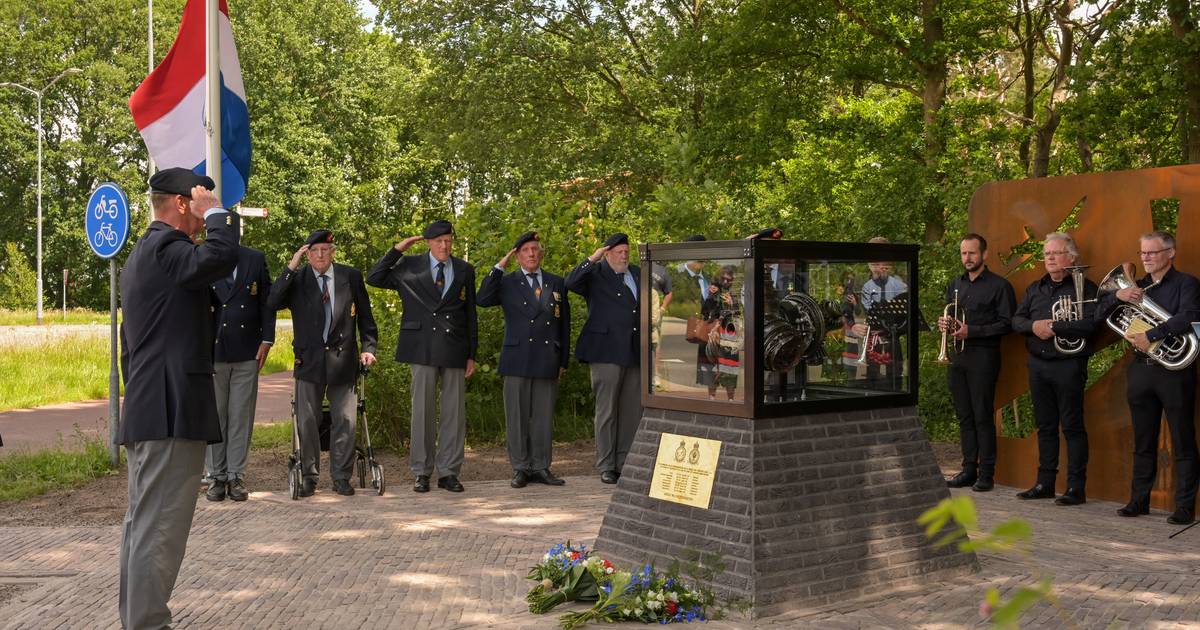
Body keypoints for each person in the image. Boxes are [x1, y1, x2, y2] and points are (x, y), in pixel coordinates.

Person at [117, 167, 238, 629]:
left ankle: (139, 621)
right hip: (169, 410)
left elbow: (131, 347)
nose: (206, 203)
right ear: (183, 204)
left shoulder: (142, 254)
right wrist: (219, 216)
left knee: (143, 526)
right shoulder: (168, 247)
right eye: (201, 196)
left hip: (152, 405)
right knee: (160, 529)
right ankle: (147, 624)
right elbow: (220, 257)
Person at [1096, 231, 1200, 524]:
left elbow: (1191, 316)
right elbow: (1099, 314)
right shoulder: (1136, 287)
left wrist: (1152, 335)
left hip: (1175, 372)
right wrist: (1117, 295)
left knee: (1183, 439)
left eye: (1152, 253)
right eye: (1143, 253)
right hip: (1141, 370)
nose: (1146, 258)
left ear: (1170, 253)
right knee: (1143, 439)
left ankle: (1184, 506)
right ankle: (1139, 500)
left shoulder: (1186, 284)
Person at [367, 220, 477, 494]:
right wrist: (397, 250)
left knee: (454, 413)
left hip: (454, 346)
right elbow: (375, 277)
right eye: (439, 241)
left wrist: (471, 354)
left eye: (449, 240)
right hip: (422, 346)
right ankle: (422, 471)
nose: (444, 245)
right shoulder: (409, 266)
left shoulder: (464, 270)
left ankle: (450, 472)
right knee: (422, 412)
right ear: (428, 242)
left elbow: (470, 315)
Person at [267, 230, 378, 498]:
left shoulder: (349, 276)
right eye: (314, 250)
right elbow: (272, 301)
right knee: (307, 420)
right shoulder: (298, 278)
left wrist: (369, 348)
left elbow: (365, 316)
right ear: (307, 253)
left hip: (343, 360)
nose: (320, 255)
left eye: (325, 250)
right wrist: (291, 266)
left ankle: (341, 477)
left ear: (333, 252)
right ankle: (309, 477)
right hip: (309, 361)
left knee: (346, 420)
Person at [476, 231, 571, 488]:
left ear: (541, 253)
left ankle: (541, 466)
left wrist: (563, 361)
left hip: (546, 358)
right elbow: (482, 299)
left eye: (535, 249)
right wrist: (499, 266)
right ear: (517, 254)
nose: (532, 253)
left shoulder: (556, 282)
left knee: (543, 416)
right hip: (517, 357)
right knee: (516, 416)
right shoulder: (507, 282)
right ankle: (520, 467)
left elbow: (565, 325)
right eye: (526, 250)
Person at [1010, 232, 1096, 506]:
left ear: (1071, 257)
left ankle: (1075, 488)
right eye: (1046, 254)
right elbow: (1017, 320)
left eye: (1055, 253)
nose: (1049, 258)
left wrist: (1056, 326)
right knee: (1045, 426)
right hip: (1038, 365)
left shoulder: (1086, 287)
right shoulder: (1036, 288)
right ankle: (1045, 483)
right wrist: (1034, 326)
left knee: (1072, 426)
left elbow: (1092, 324)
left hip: (1069, 364)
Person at [940, 233, 1016, 493]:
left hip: (984, 356)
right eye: (963, 253)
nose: (967, 258)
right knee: (964, 416)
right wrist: (946, 324)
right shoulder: (954, 284)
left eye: (972, 253)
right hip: (958, 356)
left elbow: (1008, 324)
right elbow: (952, 315)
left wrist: (971, 331)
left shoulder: (999, 286)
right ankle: (968, 468)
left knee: (983, 415)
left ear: (984, 254)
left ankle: (987, 473)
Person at [567, 233, 642, 484]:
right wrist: (592, 258)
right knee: (607, 410)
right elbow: (571, 282)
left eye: (626, 251)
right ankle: (607, 464)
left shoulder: (638, 273)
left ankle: (625, 462)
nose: (624, 256)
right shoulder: (596, 273)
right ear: (607, 253)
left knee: (631, 410)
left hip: (634, 350)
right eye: (619, 252)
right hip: (605, 350)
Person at [205, 245, 275, 502]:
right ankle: (216, 476)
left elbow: (267, 300)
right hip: (214, 349)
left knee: (241, 416)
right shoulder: (205, 257)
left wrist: (267, 338)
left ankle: (236, 475)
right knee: (216, 417)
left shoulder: (255, 258)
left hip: (248, 349)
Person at [842, 237, 908, 389]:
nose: (876, 263)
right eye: (872, 258)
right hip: (857, 351)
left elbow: (907, 319)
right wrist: (852, 326)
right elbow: (845, 309)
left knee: (890, 396)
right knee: (855, 396)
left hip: (887, 351)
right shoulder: (855, 282)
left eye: (880, 258)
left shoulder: (899, 284)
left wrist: (892, 327)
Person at [702, 265, 743, 400]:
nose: (726, 282)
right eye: (723, 279)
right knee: (711, 366)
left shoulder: (735, 294)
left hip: (729, 335)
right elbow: (704, 313)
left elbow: (741, 314)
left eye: (729, 280)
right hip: (712, 334)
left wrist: (732, 304)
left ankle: (730, 399)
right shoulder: (712, 291)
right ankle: (711, 398)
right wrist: (711, 296)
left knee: (729, 368)